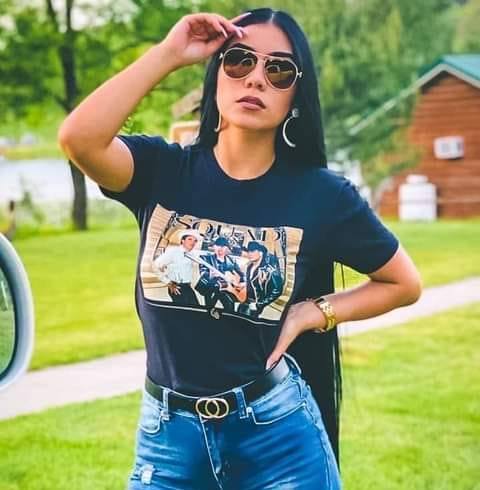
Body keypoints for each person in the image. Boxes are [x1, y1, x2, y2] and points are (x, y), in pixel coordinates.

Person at [58, 7, 422, 489]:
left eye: (278, 70)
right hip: (168, 442)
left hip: (279, 440)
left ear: (295, 96)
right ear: (216, 77)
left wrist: (313, 313)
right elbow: (79, 139)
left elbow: (403, 283)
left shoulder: (322, 196)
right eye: (239, 60)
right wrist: (170, 54)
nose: (255, 78)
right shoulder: (161, 172)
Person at [194, 236, 244, 311]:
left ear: (227, 248)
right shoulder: (205, 258)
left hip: (227, 288)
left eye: (223, 246)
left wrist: (242, 284)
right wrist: (210, 275)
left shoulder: (231, 261)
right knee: (210, 309)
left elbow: (242, 275)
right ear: (214, 246)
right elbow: (203, 272)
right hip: (211, 288)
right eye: (218, 245)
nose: (220, 248)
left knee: (230, 308)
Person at [153, 229, 202, 305]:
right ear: (183, 240)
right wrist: (168, 282)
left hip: (187, 287)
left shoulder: (192, 254)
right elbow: (155, 266)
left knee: (195, 309)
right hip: (177, 287)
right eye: (190, 239)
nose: (193, 242)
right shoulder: (173, 252)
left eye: (195, 241)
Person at [237, 241, 283, 318]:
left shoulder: (269, 270)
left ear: (261, 253)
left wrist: (259, 305)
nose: (249, 254)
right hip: (244, 301)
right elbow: (251, 283)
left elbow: (277, 290)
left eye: (253, 251)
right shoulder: (249, 267)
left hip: (255, 304)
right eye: (249, 251)